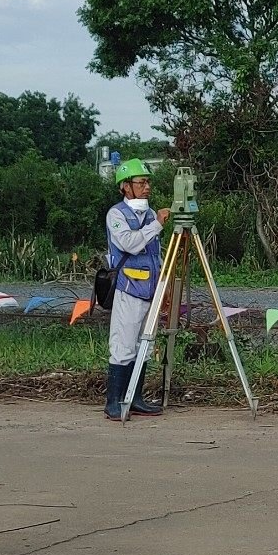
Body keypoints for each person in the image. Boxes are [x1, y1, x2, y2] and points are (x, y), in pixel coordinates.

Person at [102, 159, 167, 420]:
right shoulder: (116, 214)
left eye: (148, 182)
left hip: (150, 289)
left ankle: (135, 397)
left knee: (145, 346)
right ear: (125, 187)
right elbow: (129, 243)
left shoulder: (150, 214)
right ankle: (113, 402)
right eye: (141, 183)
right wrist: (157, 225)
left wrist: (164, 282)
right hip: (129, 288)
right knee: (123, 346)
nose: (147, 187)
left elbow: (156, 254)